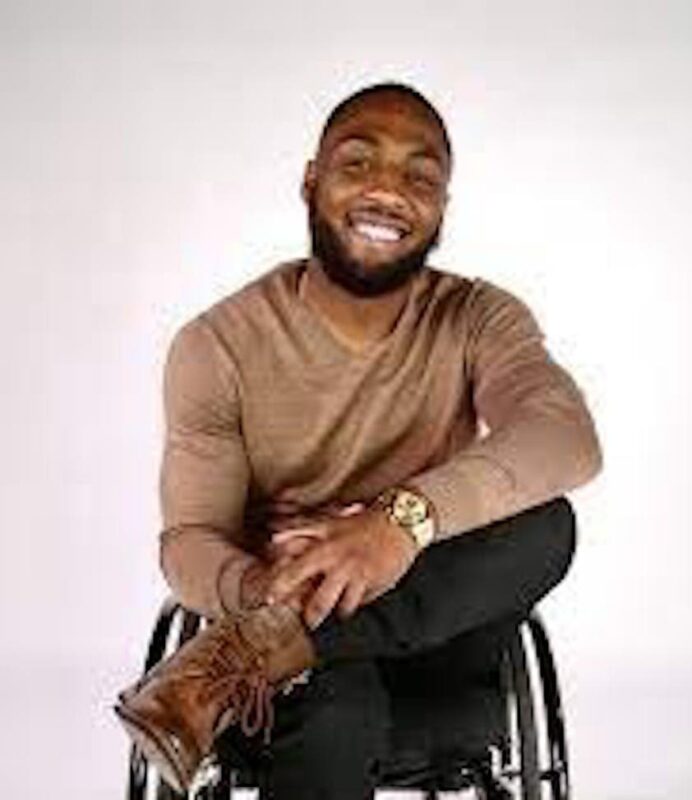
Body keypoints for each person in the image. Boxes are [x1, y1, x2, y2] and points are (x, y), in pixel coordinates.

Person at [115, 81, 603, 799]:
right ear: (310, 182)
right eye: (357, 163)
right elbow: (189, 539)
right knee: (336, 706)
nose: (387, 191)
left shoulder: (478, 317)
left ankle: (264, 649)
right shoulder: (217, 345)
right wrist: (265, 588)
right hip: (295, 669)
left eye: (420, 175)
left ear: (441, 207)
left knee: (547, 523)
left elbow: (565, 436)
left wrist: (396, 525)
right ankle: (277, 642)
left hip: (436, 629)